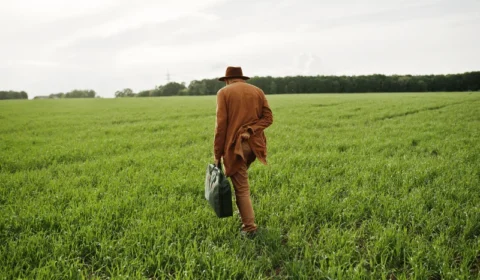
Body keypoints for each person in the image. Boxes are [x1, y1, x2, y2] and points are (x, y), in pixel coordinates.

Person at [213, 66, 273, 237]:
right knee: (240, 181)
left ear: (227, 80)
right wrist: (251, 130)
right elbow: (268, 118)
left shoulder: (224, 93)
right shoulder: (257, 91)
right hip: (255, 146)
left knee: (241, 187)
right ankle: (244, 215)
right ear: (242, 78)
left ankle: (249, 228)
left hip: (236, 147)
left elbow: (221, 127)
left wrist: (217, 154)